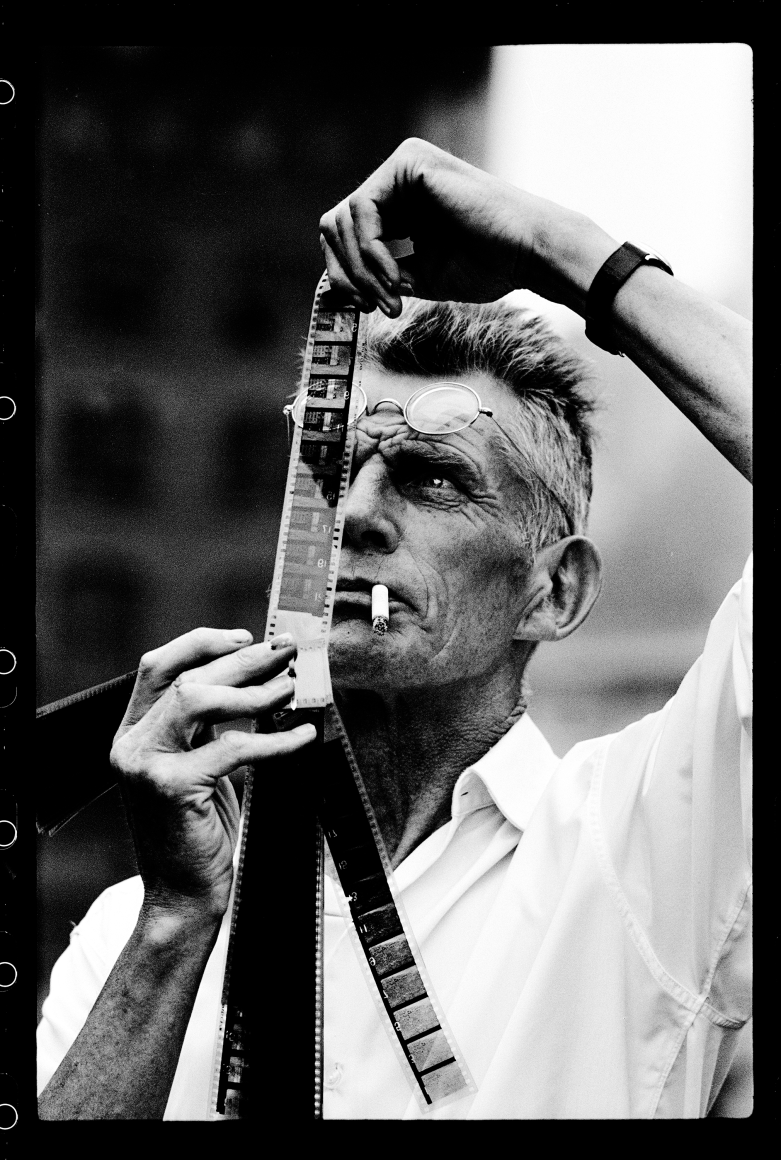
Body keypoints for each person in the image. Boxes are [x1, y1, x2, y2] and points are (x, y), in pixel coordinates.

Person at [37, 139, 751, 1120]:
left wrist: (560, 250)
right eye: (329, 474)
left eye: (430, 476)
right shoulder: (137, 917)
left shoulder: (640, 857)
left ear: (553, 592)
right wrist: (171, 928)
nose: (355, 516)